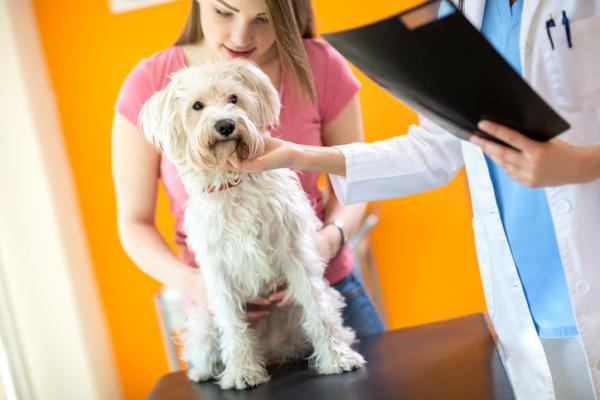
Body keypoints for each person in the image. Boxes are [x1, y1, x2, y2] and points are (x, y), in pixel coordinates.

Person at [229, 1, 600, 399]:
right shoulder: (462, 8)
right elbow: (436, 147)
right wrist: (299, 155)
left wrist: (581, 164)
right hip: (527, 306)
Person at [112, 0, 384, 339]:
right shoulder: (148, 84)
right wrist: (197, 285)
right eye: (224, 12)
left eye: (263, 19)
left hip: (324, 290)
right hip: (224, 313)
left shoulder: (320, 66)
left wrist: (327, 242)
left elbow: (355, 182)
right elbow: (133, 222)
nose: (241, 37)